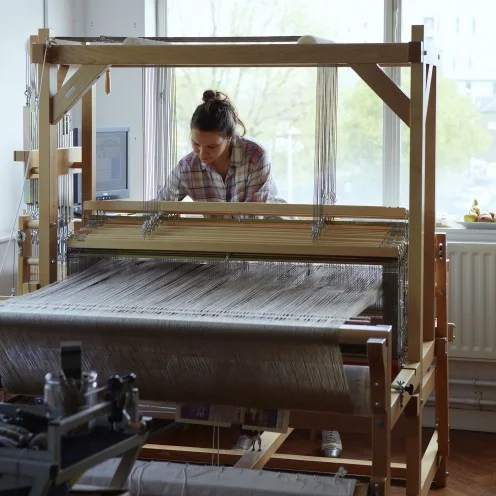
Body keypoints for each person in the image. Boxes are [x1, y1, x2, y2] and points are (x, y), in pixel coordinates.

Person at [159, 89, 343, 458]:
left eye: (211, 146)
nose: (202, 153)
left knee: (304, 339)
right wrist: (159, 218)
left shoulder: (255, 155)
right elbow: (161, 206)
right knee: (247, 345)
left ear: (230, 138)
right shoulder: (188, 166)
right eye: (195, 144)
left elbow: (253, 219)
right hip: (228, 263)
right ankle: (252, 424)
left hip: (275, 256)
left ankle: (329, 423)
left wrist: (208, 225)